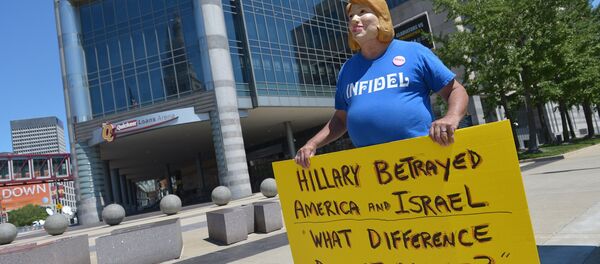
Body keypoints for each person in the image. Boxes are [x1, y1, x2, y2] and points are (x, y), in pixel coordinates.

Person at [295, 0, 468, 169]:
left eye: (362, 12)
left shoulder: (414, 52)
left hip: (421, 163)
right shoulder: (347, 69)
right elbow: (341, 119)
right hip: (372, 171)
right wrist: (313, 143)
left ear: (381, 17)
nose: (355, 19)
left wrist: (451, 117)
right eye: (351, 16)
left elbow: (454, 90)